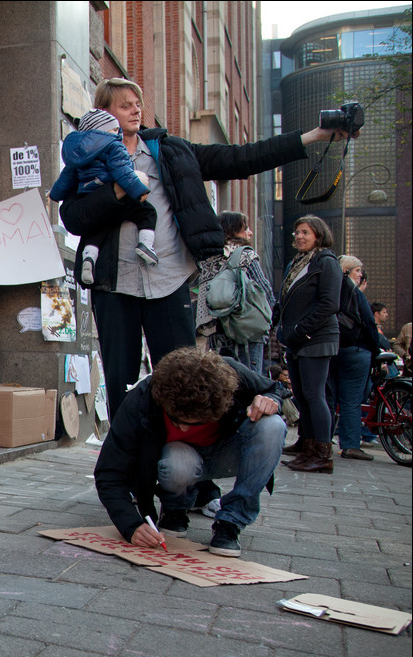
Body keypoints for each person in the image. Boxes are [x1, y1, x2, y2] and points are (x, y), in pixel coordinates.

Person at [59, 77, 353, 421]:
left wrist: (315, 136)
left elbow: (241, 158)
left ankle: (182, 467)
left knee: (184, 385)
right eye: (125, 105)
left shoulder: (169, 151)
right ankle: (129, 470)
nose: (136, 110)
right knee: (123, 389)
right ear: (103, 113)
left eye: (138, 103)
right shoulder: (89, 158)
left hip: (169, 282)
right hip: (114, 286)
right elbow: (73, 218)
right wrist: (119, 191)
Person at [94, 347, 289, 559]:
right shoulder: (143, 397)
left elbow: (274, 389)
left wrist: (271, 400)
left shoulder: (232, 374)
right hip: (178, 459)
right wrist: (131, 524)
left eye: (197, 423)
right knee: (178, 458)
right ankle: (175, 508)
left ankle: (230, 522)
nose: (185, 430)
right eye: (177, 421)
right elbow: (109, 472)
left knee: (273, 426)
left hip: (227, 453)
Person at [50, 108, 158, 285]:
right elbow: (123, 171)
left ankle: (89, 259)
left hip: (88, 193)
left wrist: (54, 195)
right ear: (104, 129)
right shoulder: (112, 145)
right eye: (115, 129)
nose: (118, 133)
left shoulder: (76, 153)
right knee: (147, 212)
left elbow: (65, 179)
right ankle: (146, 244)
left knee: (98, 225)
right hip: (110, 188)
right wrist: (139, 189)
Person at [277, 216, 340, 474]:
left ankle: (323, 454)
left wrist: (300, 330)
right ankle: (308, 447)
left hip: (316, 338)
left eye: (305, 232)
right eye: (297, 232)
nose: (299, 237)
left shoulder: (326, 261)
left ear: (318, 235)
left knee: (315, 396)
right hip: (297, 340)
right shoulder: (298, 263)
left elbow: (330, 304)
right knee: (302, 396)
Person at [204, 211, 274, 375]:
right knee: (250, 381)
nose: (249, 232)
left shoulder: (210, 256)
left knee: (223, 384)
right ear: (234, 230)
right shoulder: (245, 254)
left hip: (218, 330)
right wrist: (269, 319)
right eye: (245, 228)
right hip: (247, 331)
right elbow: (264, 289)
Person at [327, 255, 382, 461]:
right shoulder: (354, 292)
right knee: (351, 401)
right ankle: (350, 445)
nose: (361, 275)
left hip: (333, 349)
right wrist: (375, 349)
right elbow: (368, 322)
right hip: (356, 351)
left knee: (329, 398)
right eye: (358, 270)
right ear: (347, 271)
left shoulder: (331, 290)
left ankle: (323, 441)